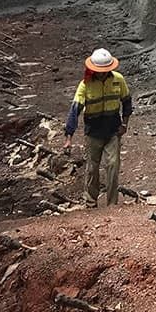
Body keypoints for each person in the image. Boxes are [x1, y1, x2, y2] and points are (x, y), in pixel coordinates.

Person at [64, 47, 132, 207]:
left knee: (113, 165)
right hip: (93, 133)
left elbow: (127, 101)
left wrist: (125, 124)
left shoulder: (118, 79)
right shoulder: (85, 85)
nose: (101, 73)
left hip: (113, 130)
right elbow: (75, 111)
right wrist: (69, 138)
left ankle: (112, 204)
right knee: (92, 168)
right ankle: (90, 201)